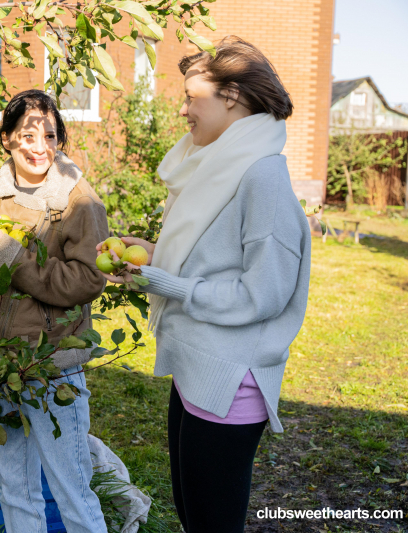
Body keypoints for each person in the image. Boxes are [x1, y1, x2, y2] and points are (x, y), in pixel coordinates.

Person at [97, 37, 312, 533]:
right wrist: (153, 254)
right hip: (199, 363)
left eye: (193, 96)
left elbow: (264, 293)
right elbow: (214, 259)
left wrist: (166, 282)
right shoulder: (221, 165)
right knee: (191, 508)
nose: (184, 109)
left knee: (211, 522)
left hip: (230, 378)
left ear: (231, 95)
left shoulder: (262, 177)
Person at [0, 89, 110, 533]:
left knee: (72, 489)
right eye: (27, 134)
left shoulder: (79, 200)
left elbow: (87, 281)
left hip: (49, 367)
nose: (40, 146)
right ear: (6, 139)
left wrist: (9, 258)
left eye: (50, 135)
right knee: (15, 488)